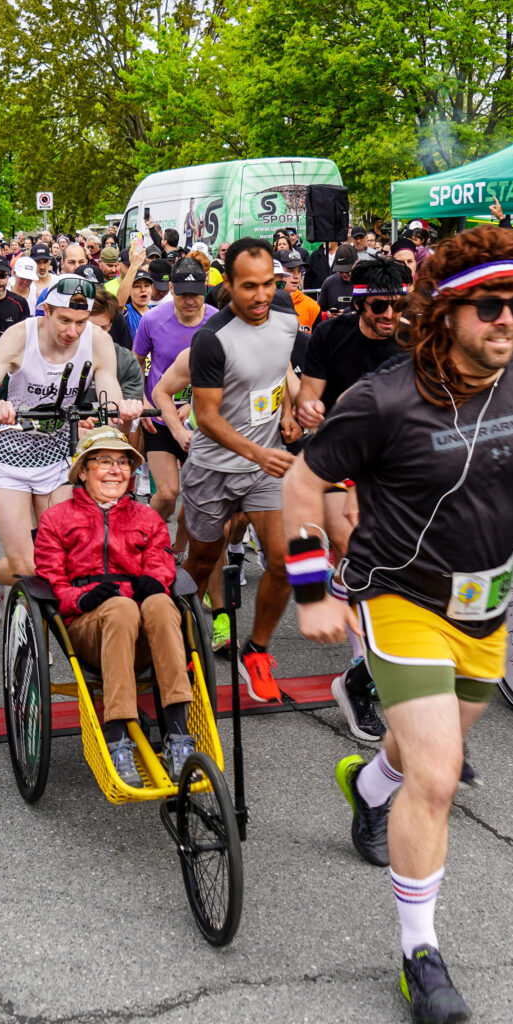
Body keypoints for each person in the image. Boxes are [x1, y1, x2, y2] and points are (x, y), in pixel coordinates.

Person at [285, 224, 513, 1024]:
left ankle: (367, 789)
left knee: (416, 755)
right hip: (401, 595)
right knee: (438, 775)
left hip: (487, 605)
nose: (508, 319)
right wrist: (311, 592)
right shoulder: (385, 398)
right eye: (490, 306)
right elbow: (301, 486)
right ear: (447, 311)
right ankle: (419, 955)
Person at [0, 274, 141, 616]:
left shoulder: (96, 340)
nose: (73, 331)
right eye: (65, 320)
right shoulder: (19, 337)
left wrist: (124, 410)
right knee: (26, 565)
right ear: (46, 311)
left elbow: (110, 405)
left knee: (64, 556)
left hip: (57, 453)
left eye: (81, 322)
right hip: (9, 454)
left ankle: (41, 624)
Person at [291, 257, 414, 739]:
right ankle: (361, 677)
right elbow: (307, 401)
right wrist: (311, 407)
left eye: (398, 305)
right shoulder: (330, 334)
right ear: (360, 301)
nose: (390, 315)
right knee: (354, 545)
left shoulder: (413, 338)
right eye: (380, 306)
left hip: (393, 458)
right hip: (336, 453)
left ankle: (350, 601)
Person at [33, 427, 196, 785]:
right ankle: (118, 732)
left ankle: (177, 731)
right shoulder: (56, 519)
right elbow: (51, 578)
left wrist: (154, 583)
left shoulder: (147, 518)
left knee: (161, 604)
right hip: (89, 627)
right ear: (83, 471)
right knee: (121, 608)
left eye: (123, 462)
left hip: (144, 633)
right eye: (104, 461)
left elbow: (161, 563)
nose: (115, 470)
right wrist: (80, 598)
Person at [180, 238, 302, 704]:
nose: (261, 295)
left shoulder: (288, 315)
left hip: (262, 467)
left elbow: (280, 371)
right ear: (227, 285)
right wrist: (256, 451)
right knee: (203, 562)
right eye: (249, 286)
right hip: (213, 470)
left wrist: (294, 405)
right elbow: (206, 416)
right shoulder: (212, 339)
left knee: (284, 560)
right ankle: (184, 639)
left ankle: (258, 651)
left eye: (268, 283)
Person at [134, 258, 214, 552]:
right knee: (168, 493)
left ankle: (176, 550)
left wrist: (194, 404)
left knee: (196, 498)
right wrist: (143, 400)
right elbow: (136, 362)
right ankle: (142, 538)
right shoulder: (152, 320)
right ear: (170, 289)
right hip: (159, 417)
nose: (189, 301)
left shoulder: (218, 322)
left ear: (205, 287)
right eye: (182, 294)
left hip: (202, 419)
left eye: (196, 293)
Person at [318, 243, 360, 314]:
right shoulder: (329, 282)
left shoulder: (364, 282)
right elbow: (318, 310)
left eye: (347, 271)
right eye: (340, 271)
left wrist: (348, 313)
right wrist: (327, 314)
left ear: (356, 264)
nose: (344, 274)